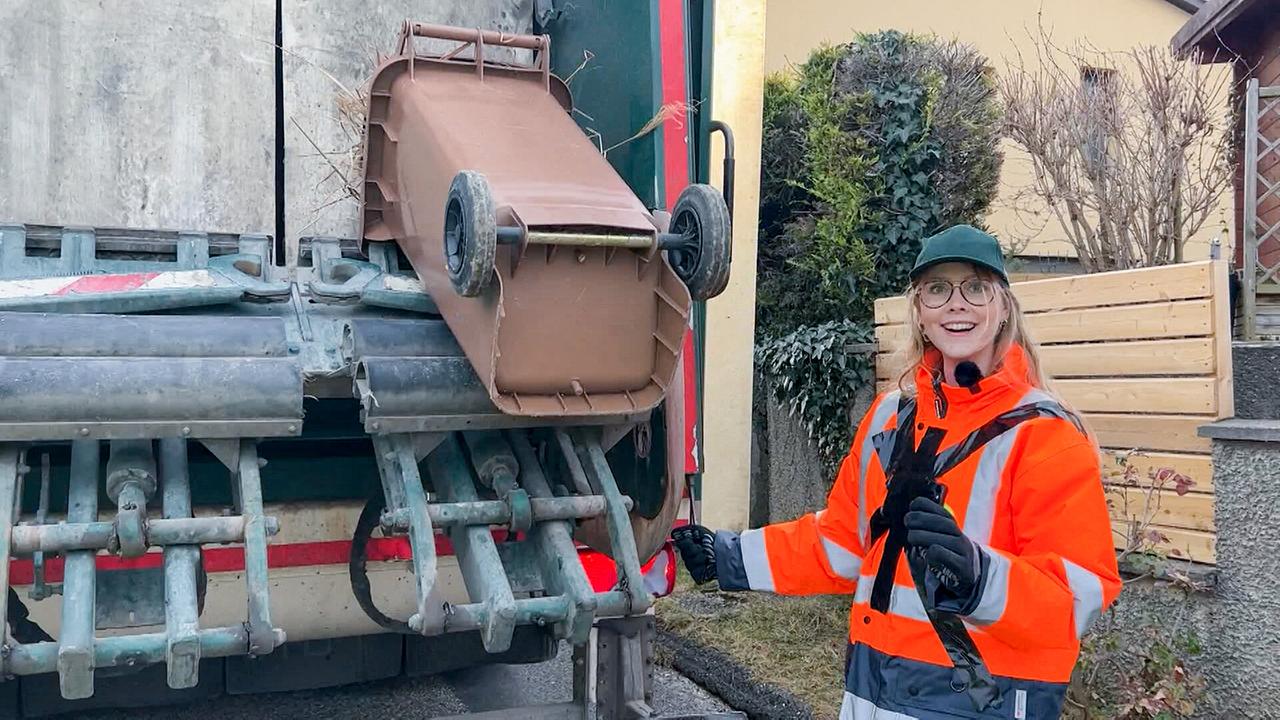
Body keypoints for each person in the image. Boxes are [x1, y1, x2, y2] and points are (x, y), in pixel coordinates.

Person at [672, 225, 1121, 719]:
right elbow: (842, 542)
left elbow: (1079, 597)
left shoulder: (1045, 435)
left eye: (975, 287)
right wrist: (730, 557)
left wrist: (980, 578)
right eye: (937, 289)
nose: (956, 304)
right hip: (873, 692)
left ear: (1003, 308)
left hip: (982, 702)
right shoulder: (889, 417)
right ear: (920, 312)